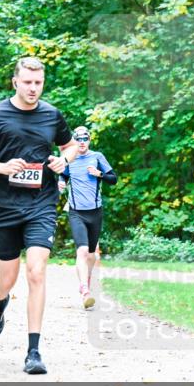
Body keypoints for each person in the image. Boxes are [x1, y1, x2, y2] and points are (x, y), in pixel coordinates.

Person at [0, 56, 78, 375]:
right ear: (15, 82)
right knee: (8, 278)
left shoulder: (52, 115)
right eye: (27, 82)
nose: (33, 88)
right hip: (4, 207)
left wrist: (64, 160)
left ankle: (34, 352)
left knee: (36, 272)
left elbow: (69, 146)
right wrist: (2, 167)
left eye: (38, 83)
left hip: (41, 204)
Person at [58, 126, 117, 309]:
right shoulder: (69, 158)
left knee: (91, 254)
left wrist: (99, 174)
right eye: (78, 139)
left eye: (85, 139)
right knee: (82, 251)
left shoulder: (97, 157)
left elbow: (113, 179)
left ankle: (86, 281)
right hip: (76, 212)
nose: (82, 142)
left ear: (89, 140)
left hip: (95, 211)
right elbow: (62, 175)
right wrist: (61, 182)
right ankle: (85, 290)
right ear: (74, 141)